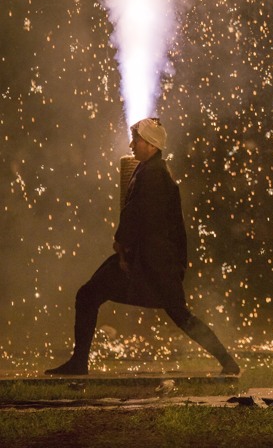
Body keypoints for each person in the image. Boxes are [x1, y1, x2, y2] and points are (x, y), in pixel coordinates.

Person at [45, 117, 239, 377]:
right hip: (152, 261)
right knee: (174, 313)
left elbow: (141, 216)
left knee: (91, 296)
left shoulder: (154, 175)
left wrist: (123, 244)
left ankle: (79, 363)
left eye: (136, 140)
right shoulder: (152, 171)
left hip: (150, 262)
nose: (131, 144)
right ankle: (227, 362)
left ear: (150, 144)